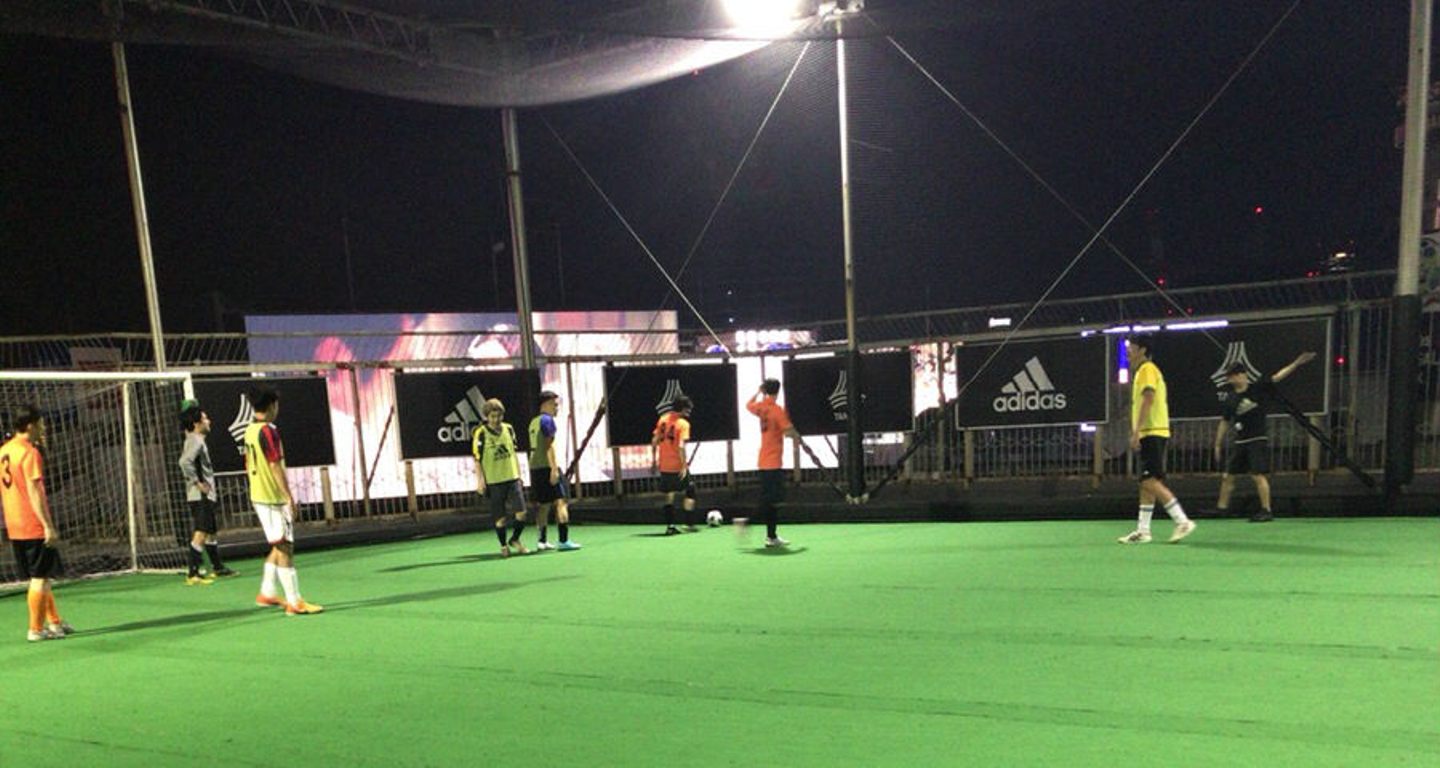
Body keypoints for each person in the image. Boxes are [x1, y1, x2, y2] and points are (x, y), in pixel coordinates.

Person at [243, 386, 323, 615]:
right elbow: (274, 465)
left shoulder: (249, 430)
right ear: (271, 405)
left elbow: (248, 464)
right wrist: (288, 496)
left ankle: (267, 592)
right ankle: (294, 602)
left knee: (278, 544)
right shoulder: (268, 431)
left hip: (259, 495)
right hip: (272, 498)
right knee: (286, 547)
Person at [1212, 352, 1316, 522]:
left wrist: (1296, 363)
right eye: (1229, 377)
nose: (1231, 379)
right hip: (1240, 440)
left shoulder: (1257, 389)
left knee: (1258, 475)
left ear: (1242, 375)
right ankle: (1221, 508)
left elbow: (1278, 377)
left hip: (1257, 438)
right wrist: (1217, 443)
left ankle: (1266, 510)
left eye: (1234, 375)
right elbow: (1225, 421)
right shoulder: (1230, 398)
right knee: (1227, 476)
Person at [1, 406, 74, 642]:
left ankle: (54, 622)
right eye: (41, 423)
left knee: (41, 575)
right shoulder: (30, 453)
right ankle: (35, 628)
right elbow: (34, 492)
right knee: (39, 578)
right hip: (31, 521)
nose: (43, 427)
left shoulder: (4, 450)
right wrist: (48, 525)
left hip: (13, 522)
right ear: (31, 425)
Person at [1118, 335, 1196, 544]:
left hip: (1152, 431)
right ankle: (1143, 531)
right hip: (1151, 432)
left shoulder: (1147, 369)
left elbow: (1149, 398)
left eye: (1131, 348)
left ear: (1142, 350)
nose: (1128, 352)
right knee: (1146, 483)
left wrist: (1137, 430)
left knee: (1150, 481)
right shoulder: (1143, 371)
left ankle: (1182, 521)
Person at [178, 400, 236, 584]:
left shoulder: (197, 440)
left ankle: (217, 567)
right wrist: (198, 483)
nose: (208, 421)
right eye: (205, 419)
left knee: (210, 531)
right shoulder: (195, 440)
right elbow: (184, 462)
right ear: (197, 423)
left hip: (206, 494)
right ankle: (193, 573)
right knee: (201, 531)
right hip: (200, 495)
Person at [742, 379, 801, 548]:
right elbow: (788, 431)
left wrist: (758, 391)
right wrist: (797, 436)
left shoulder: (762, 407)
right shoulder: (777, 410)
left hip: (764, 460)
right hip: (773, 462)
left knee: (770, 501)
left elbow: (748, 405)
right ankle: (748, 524)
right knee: (771, 501)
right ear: (778, 391)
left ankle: (771, 536)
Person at [473, 397, 528, 557]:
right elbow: (477, 460)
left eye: (499, 416)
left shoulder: (509, 429)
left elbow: (513, 453)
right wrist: (480, 482)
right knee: (500, 519)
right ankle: (503, 545)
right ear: (486, 417)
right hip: (494, 481)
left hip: (512, 478)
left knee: (522, 513)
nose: (496, 419)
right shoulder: (481, 433)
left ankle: (515, 539)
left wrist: (519, 474)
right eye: (492, 416)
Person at [530, 391, 580, 552]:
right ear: (545, 404)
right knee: (561, 501)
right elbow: (548, 446)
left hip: (535, 468)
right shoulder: (547, 420)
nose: (557, 407)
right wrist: (553, 470)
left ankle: (542, 541)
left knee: (543, 504)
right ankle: (564, 540)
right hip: (547, 467)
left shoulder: (533, 422)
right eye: (554, 404)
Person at [652, 395, 696, 535]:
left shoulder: (663, 419)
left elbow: (654, 440)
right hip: (677, 465)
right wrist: (683, 466)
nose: (688, 412)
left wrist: (653, 460)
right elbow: (681, 446)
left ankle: (670, 526)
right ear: (683, 409)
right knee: (690, 490)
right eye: (687, 409)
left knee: (669, 494)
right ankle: (688, 523)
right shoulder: (683, 424)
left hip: (664, 464)